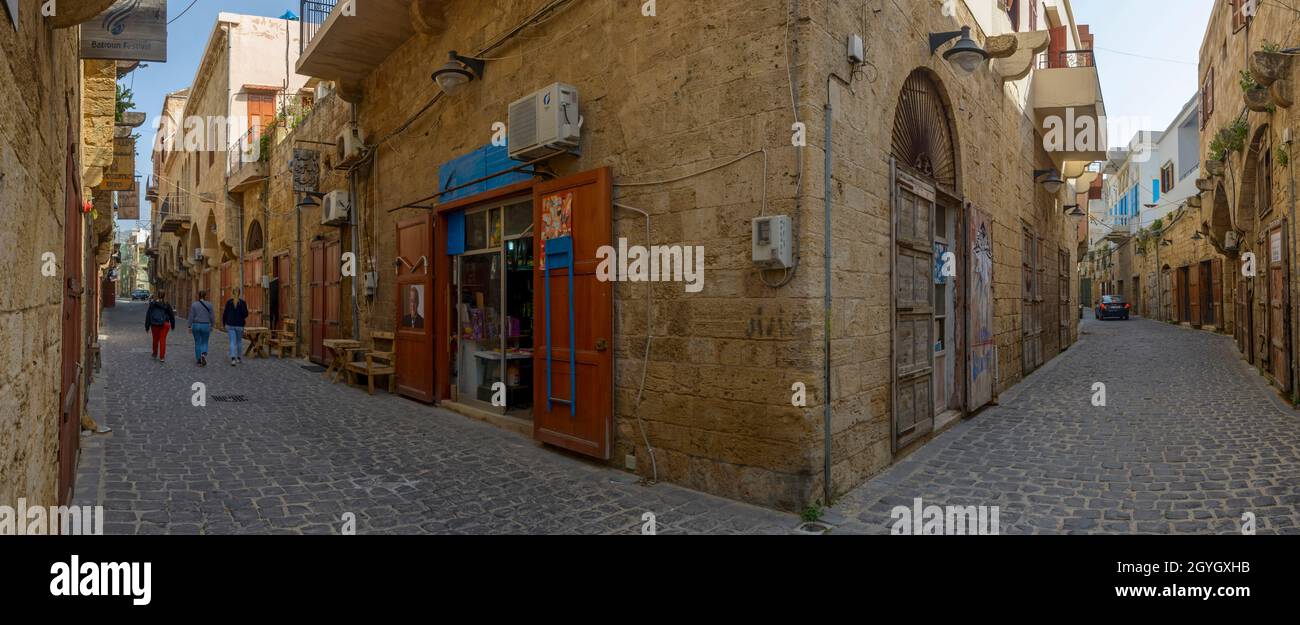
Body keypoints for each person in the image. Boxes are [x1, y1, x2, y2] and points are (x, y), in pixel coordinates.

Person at [145, 290, 177, 363]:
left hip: (154, 324)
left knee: (155, 339)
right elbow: (171, 315)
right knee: (163, 340)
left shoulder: (153, 303)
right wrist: (173, 325)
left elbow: (148, 315)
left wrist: (147, 326)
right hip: (165, 324)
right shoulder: (166, 304)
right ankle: (162, 357)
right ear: (164, 295)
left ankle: (155, 353)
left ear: (157, 295)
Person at [223, 287, 250, 366]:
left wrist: (224, 323)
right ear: (239, 293)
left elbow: (225, 313)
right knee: (239, 342)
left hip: (230, 324)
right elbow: (246, 314)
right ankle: (239, 358)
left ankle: (233, 359)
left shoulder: (229, 302)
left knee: (232, 342)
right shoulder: (242, 303)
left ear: (232, 293)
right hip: (239, 325)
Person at [189, 290, 215, 367]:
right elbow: (212, 317)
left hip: (196, 325)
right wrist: (212, 325)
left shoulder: (194, 305)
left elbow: (191, 316)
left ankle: (198, 360)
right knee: (205, 341)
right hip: (205, 325)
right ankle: (203, 354)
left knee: (197, 342)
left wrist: (189, 326)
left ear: (198, 296)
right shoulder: (209, 305)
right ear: (205, 296)